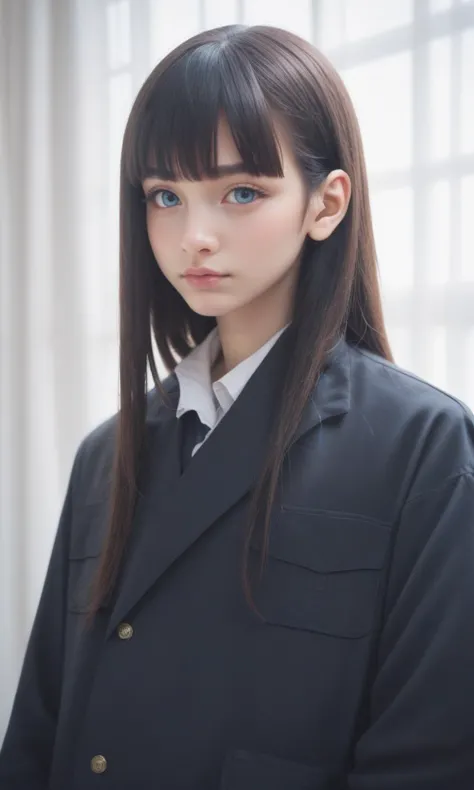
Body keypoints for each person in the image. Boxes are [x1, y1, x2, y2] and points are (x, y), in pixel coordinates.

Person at [1, 23, 473, 790]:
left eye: (241, 192)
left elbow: (431, 755)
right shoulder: (106, 453)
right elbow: (38, 735)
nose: (195, 236)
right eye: (165, 196)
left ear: (326, 204)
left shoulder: (423, 447)